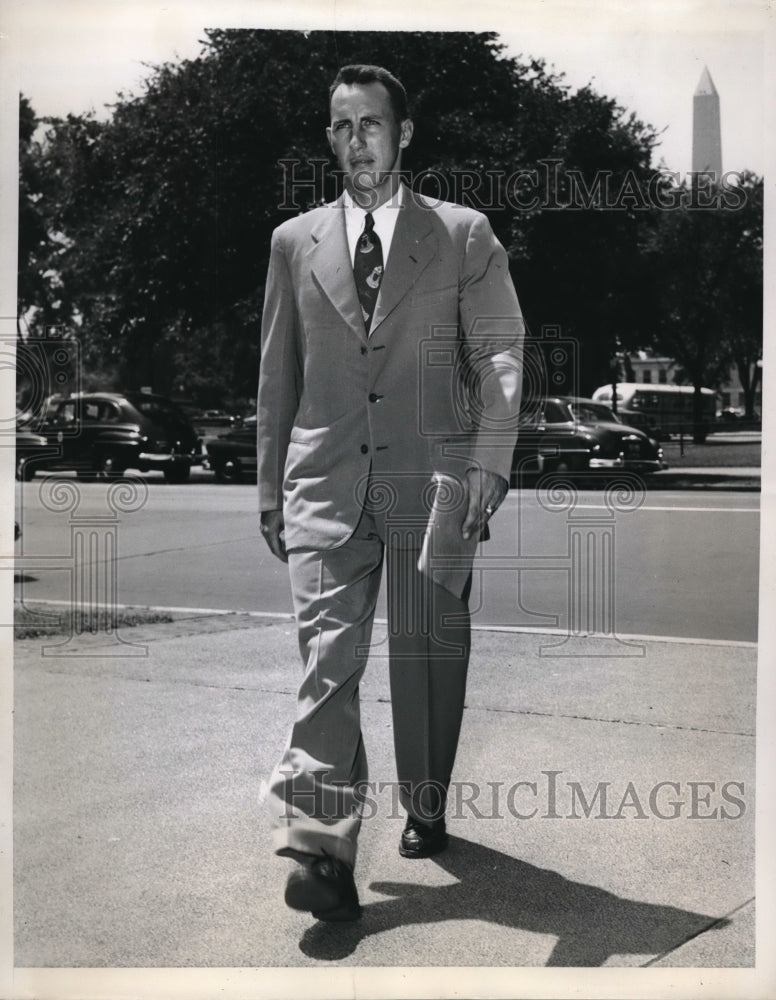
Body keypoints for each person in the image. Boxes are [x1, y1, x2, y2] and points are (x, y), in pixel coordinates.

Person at [257, 64, 524, 922]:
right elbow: (277, 378)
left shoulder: (462, 235)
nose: (356, 140)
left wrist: (488, 459)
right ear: (329, 138)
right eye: (341, 126)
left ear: (403, 135)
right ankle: (320, 848)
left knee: (427, 663)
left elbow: (501, 353)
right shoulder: (294, 242)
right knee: (327, 666)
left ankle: (428, 801)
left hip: (436, 484)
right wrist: (271, 488)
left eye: (372, 123)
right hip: (326, 483)